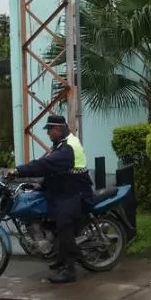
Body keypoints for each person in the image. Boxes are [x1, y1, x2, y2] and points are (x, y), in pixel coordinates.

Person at [7, 114, 92, 284]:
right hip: (63, 191)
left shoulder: (68, 148)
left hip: (76, 194)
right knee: (49, 219)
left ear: (57, 130)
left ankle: (70, 270)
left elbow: (44, 165)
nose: (47, 134)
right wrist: (41, 186)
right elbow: (53, 170)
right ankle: (60, 258)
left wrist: (19, 171)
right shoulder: (59, 145)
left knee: (63, 222)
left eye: (49, 130)